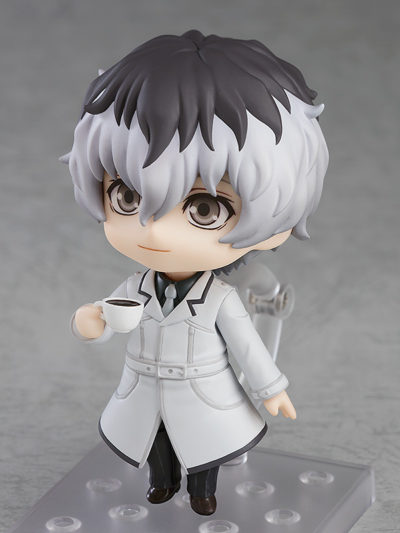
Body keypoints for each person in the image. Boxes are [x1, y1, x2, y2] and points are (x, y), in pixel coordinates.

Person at [61, 30, 328, 516]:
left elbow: (247, 347)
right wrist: (91, 322)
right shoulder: (137, 287)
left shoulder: (221, 299)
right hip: (144, 390)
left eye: (204, 208)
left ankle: (202, 492)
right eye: (127, 196)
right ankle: (161, 483)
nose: (155, 230)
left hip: (202, 392)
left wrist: (272, 390)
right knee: (154, 441)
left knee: (204, 447)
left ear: (274, 223)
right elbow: (110, 316)